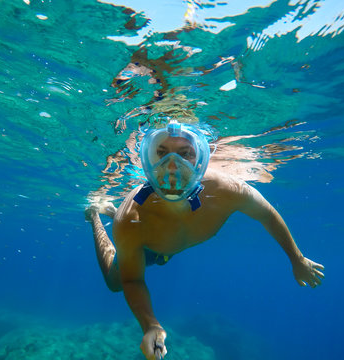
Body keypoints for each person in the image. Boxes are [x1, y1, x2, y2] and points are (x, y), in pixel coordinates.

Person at [86, 120, 325, 360]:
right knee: (114, 283)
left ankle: (108, 210)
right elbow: (131, 279)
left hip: (165, 241)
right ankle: (96, 214)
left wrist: (297, 258)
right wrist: (151, 325)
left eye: (185, 154)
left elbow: (267, 215)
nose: (172, 168)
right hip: (150, 247)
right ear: (147, 160)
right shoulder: (131, 219)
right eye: (160, 154)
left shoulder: (227, 189)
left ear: (200, 159)